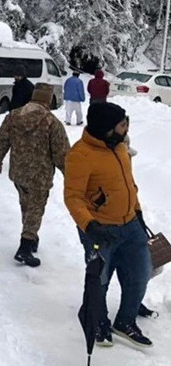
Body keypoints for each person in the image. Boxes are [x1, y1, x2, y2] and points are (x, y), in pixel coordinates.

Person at [64, 102, 153, 348]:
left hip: (131, 224)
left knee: (140, 275)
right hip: (100, 228)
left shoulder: (121, 148)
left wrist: (138, 212)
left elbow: (128, 184)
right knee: (99, 279)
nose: (126, 129)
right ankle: (97, 320)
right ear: (106, 129)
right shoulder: (80, 154)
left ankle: (125, 322)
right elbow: (72, 196)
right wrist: (89, 225)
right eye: (122, 125)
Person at [0, 83, 70, 267]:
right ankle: (25, 247)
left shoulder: (13, 116)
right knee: (36, 208)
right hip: (40, 175)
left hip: (18, 172)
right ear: (48, 99)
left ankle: (31, 237)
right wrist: (70, 174)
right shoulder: (52, 122)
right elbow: (62, 153)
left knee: (26, 204)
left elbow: (2, 139)